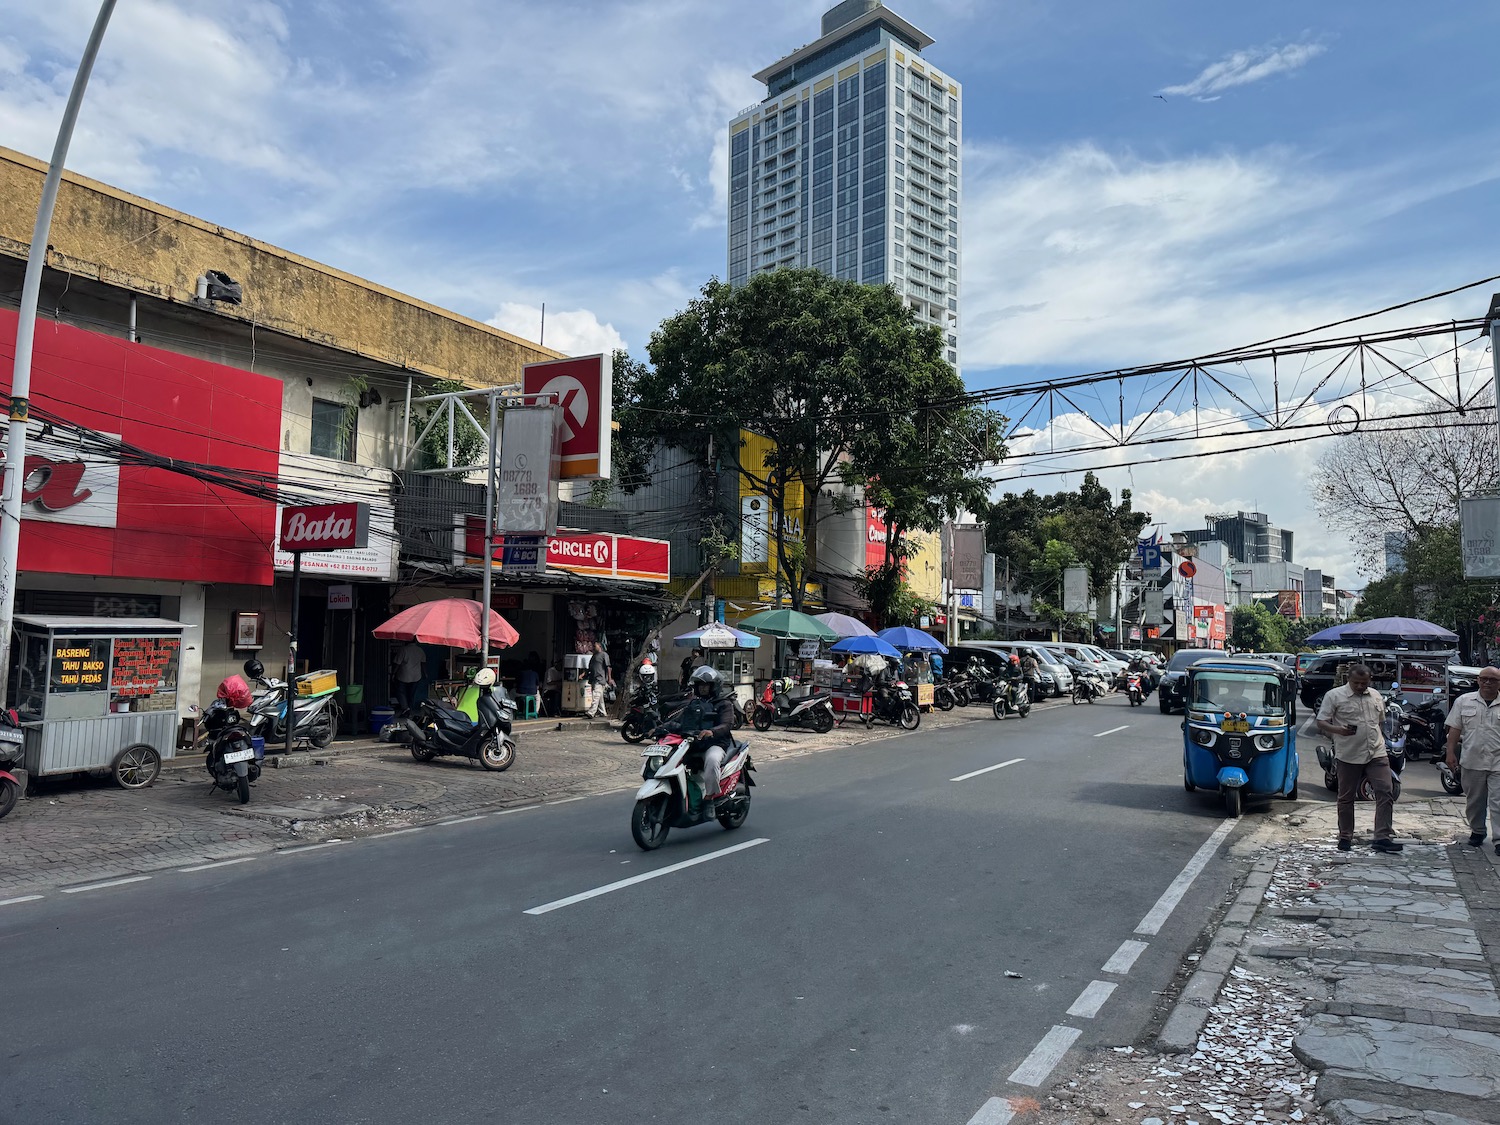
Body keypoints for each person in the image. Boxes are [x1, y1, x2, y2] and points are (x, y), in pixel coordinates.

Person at [1316, 664, 1402, 854]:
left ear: (1369, 680)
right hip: (1348, 753)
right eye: (1357, 683)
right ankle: (1345, 836)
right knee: (1346, 796)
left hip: (1376, 751)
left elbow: (1380, 721)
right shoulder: (1335, 696)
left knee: (1385, 791)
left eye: (1364, 683)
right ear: (1349, 679)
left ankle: (1382, 837)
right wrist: (1338, 731)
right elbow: (1321, 722)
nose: (1360, 686)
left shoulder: (1376, 696)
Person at [658, 665, 736, 814]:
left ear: (714, 686)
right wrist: (658, 728)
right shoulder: (693, 704)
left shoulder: (724, 704)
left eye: (706, 685)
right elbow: (679, 722)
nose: (703, 688)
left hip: (715, 744)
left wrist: (711, 732)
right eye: (700, 685)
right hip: (693, 743)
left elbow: (726, 725)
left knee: (712, 760)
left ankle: (709, 798)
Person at [1444, 666, 1500, 853]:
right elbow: (1454, 729)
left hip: (1498, 762)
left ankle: (1499, 839)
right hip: (1472, 760)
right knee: (1474, 801)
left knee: (1498, 802)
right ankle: (1477, 831)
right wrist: (1450, 753)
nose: (1487, 683)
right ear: (1478, 681)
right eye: (1484, 679)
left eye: (1493, 679)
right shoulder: (1464, 701)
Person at [394, 639, 425, 713]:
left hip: (404, 675)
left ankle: (405, 707)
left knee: (401, 692)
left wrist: (393, 673)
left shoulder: (403, 650)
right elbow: (423, 663)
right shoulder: (420, 650)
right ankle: (410, 709)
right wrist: (425, 673)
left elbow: (397, 663)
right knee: (411, 694)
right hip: (416, 676)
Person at [588, 639, 613, 719]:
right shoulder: (593, 656)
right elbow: (590, 668)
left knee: (596, 696)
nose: (593, 647)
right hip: (593, 679)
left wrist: (609, 678)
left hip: (600, 679)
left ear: (599, 646)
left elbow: (608, 667)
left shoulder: (604, 655)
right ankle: (603, 712)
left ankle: (591, 712)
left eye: (595, 646)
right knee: (599, 697)